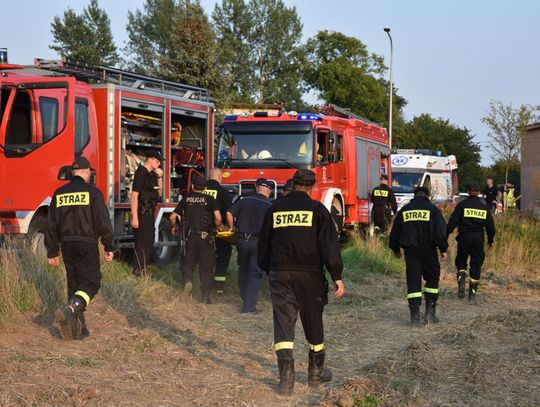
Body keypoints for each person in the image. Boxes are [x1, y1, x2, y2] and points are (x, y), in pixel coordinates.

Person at [258, 169, 345, 395]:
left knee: (283, 323)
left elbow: (263, 243)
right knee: (313, 321)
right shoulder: (318, 210)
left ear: (294, 184)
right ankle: (315, 374)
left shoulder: (274, 209)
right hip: (310, 275)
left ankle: (286, 381)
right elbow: (330, 246)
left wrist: (267, 268)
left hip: (280, 273)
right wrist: (337, 276)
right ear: (311, 186)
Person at [45, 157, 114, 340]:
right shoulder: (93, 192)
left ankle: (77, 329)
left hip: (67, 245)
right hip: (87, 243)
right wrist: (109, 245)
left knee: (75, 286)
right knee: (91, 282)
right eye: (89, 173)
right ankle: (71, 309)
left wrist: (52, 251)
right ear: (85, 172)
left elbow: (51, 225)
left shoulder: (59, 194)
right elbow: (103, 221)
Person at [389, 186, 448, 325]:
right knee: (432, 280)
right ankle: (430, 313)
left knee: (413, 282)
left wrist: (396, 250)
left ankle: (415, 316)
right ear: (427, 195)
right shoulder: (433, 210)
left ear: (414, 196)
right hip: (429, 251)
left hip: (411, 253)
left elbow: (395, 233)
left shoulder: (405, 210)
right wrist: (443, 249)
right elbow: (441, 231)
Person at [170, 175, 222, 304]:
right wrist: (218, 226)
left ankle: (188, 281)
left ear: (192, 186)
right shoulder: (210, 199)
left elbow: (172, 216)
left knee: (187, 263)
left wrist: (175, 227)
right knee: (206, 267)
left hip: (189, 237)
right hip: (205, 238)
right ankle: (206, 297)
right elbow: (218, 217)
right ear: (205, 188)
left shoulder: (186, 199)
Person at [227, 178, 273, 313]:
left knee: (243, 269)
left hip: (242, 240)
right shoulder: (270, 206)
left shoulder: (244, 200)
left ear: (256, 187)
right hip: (258, 243)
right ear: (269, 191)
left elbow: (229, 213)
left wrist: (232, 227)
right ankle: (249, 307)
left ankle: (244, 297)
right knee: (255, 273)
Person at [447, 184, 496, 303]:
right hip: (478, 239)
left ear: (468, 192)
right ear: (479, 192)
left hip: (464, 238)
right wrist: (490, 240)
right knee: (476, 265)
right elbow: (490, 227)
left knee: (461, 261)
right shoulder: (483, 207)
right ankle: (472, 296)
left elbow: (453, 222)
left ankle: (462, 281)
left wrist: (445, 234)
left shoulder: (462, 205)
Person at [131, 150, 163, 276]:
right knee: (142, 242)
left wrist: (160, 177)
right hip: (141, 212)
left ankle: (143, 268)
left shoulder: (151, 175)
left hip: (149, 213)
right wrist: (135, 217)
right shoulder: (141, 173)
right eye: (157, 161)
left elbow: (159, 192)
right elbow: (134, 196)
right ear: (150, 159)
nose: (159, 164)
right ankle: (138, 270)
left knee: (148, 241)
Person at [204, 169, 233, 295]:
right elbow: (229, 212)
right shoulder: (223, 192)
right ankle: (219, 288)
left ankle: (206, 286)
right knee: (222, 257)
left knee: (205, 258)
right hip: (219, 231)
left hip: (201, 231)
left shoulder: (200, 190)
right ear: (220, 177)